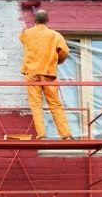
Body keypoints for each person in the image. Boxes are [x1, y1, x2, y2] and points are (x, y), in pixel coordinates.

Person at [19, 10, 73, 140]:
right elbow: (65, 51)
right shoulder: (55, 35)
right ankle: (66, 135)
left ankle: (41, 135)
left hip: (32, 73)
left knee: (36, 105)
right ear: (47, 20)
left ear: (35, 21)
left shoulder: (27, 33)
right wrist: (56, 61)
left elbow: (22, 39)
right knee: (55, 105)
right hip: (48, 73)